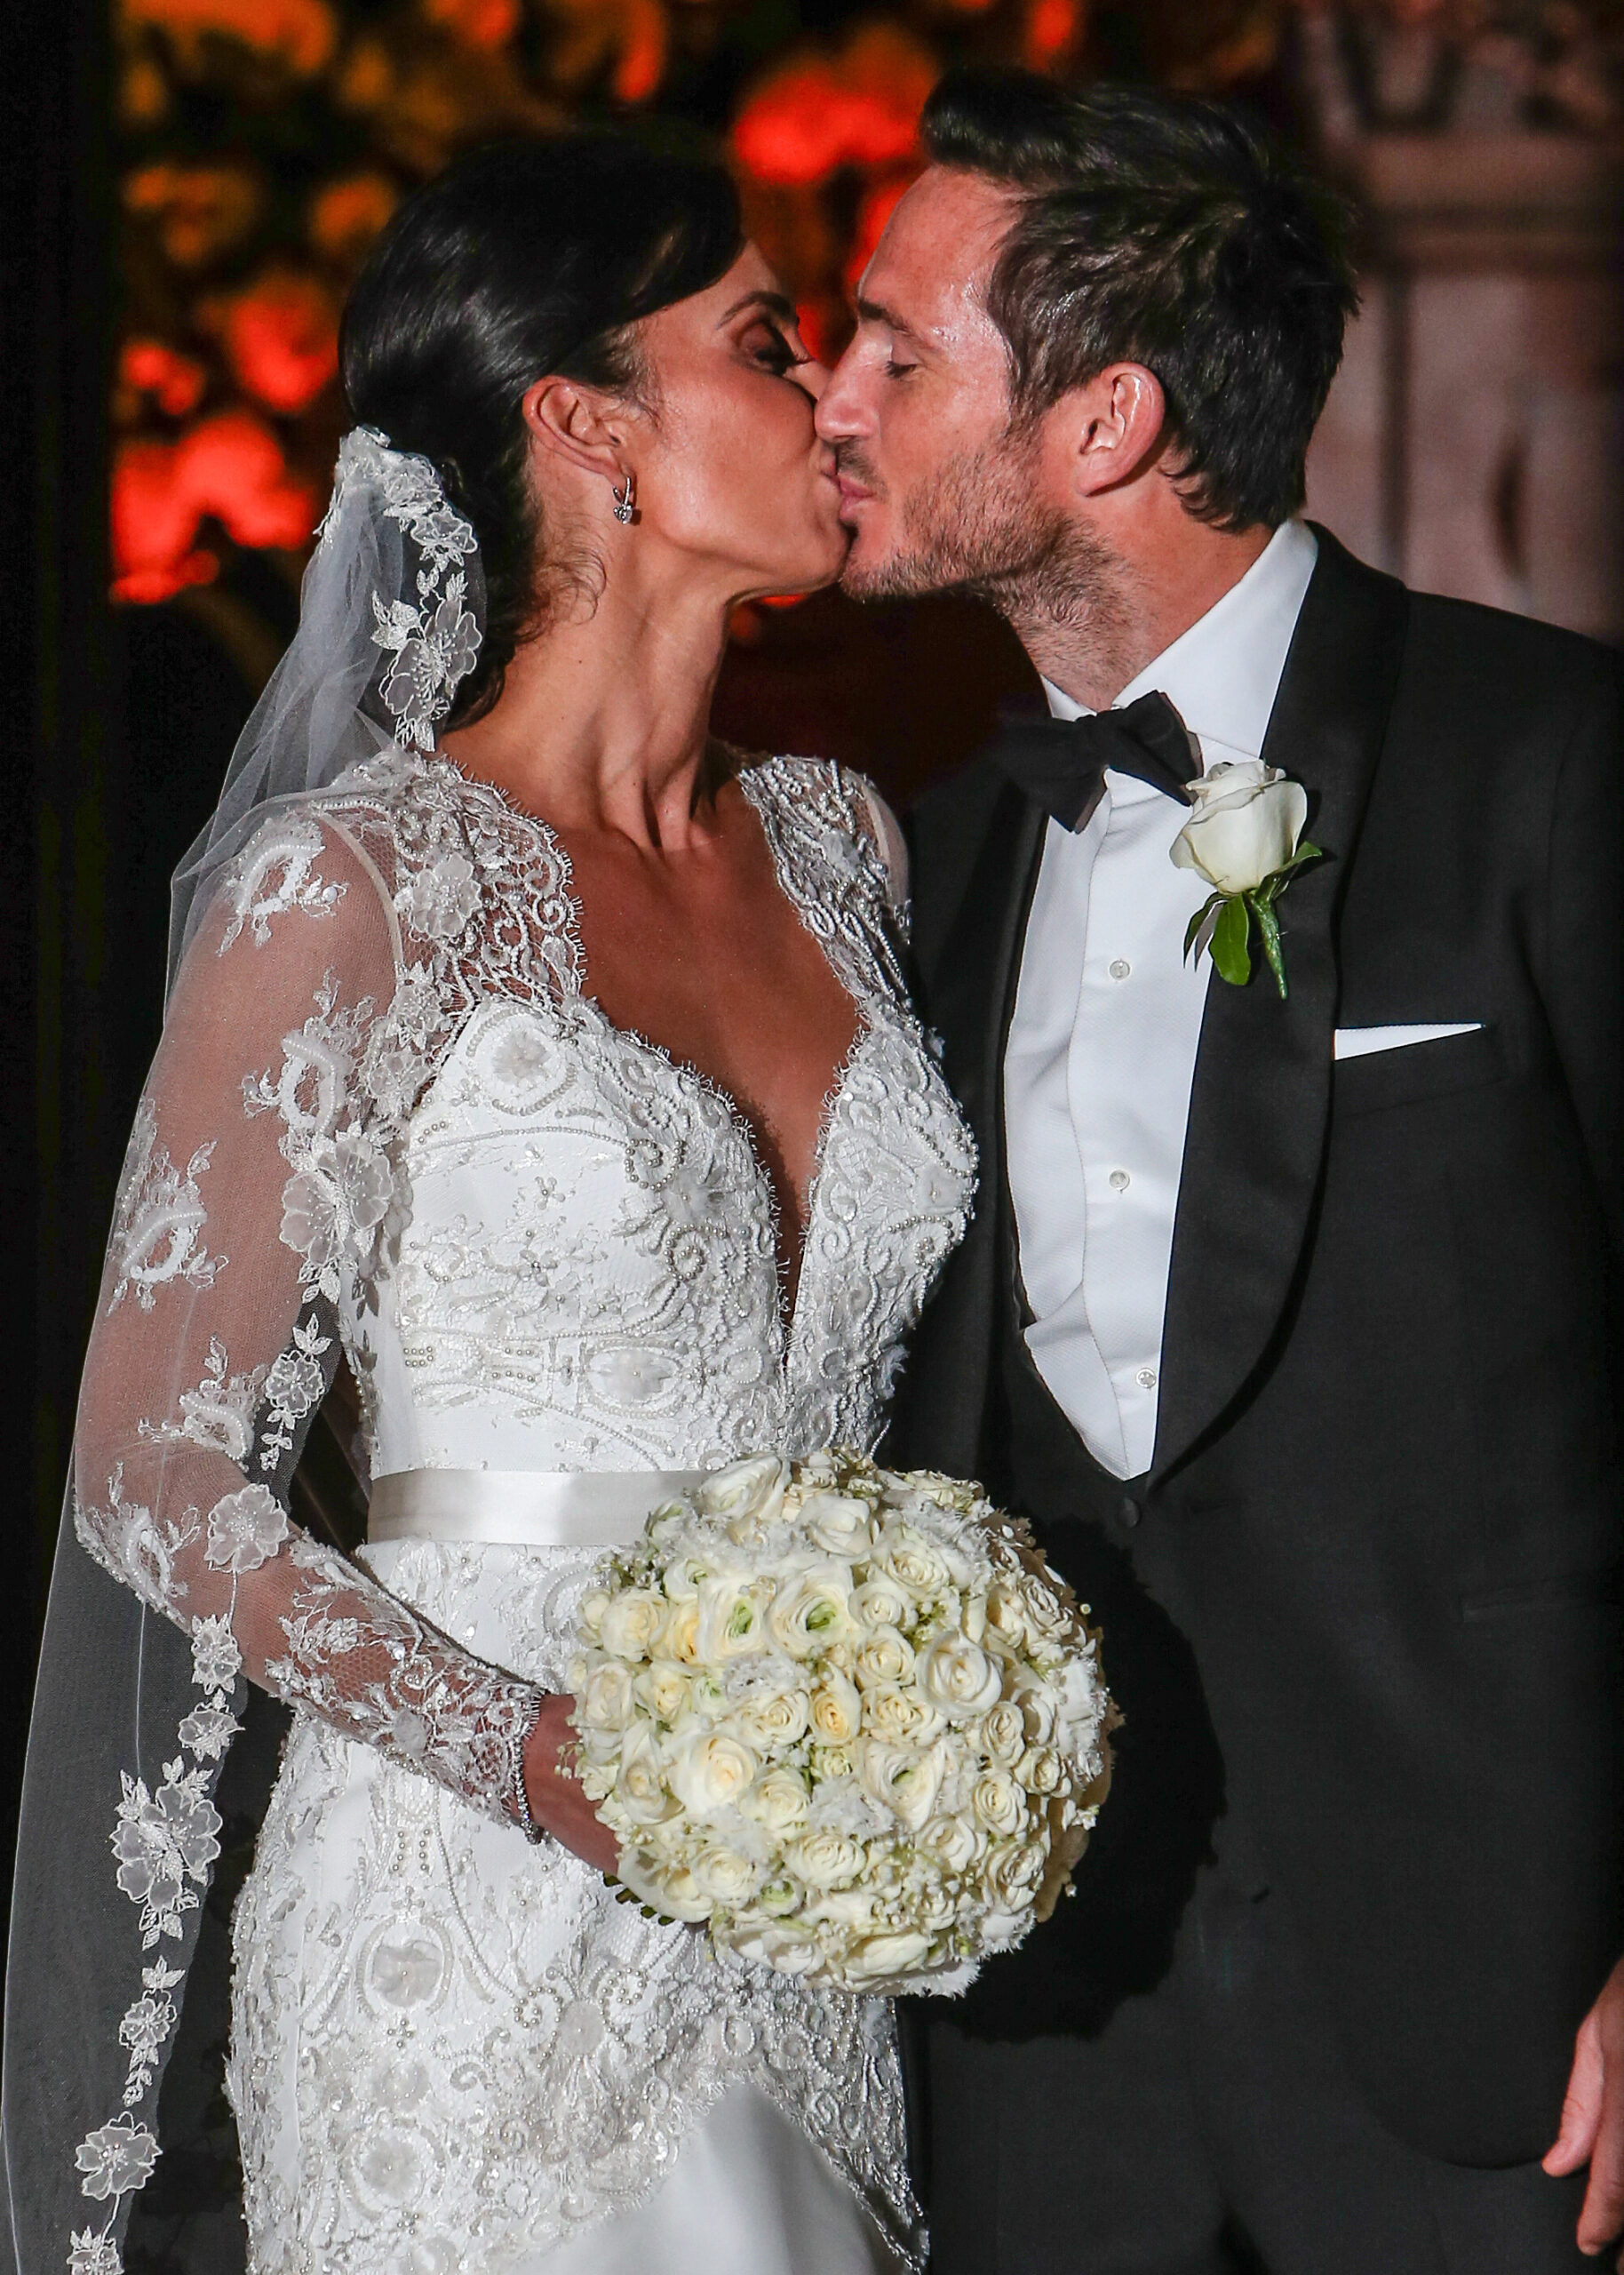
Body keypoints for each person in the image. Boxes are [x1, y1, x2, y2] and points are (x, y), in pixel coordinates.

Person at [4, 134, 976, 2275]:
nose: (827, 398)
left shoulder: (840, 852)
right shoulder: (353, 885)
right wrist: (530, 1755)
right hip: (471, 1889)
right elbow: (153, 1468)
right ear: (583, 426)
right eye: (764, 340)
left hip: (802, 1899)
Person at [816, 64, 1624, 2275]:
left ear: (1098, 426)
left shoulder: (1546, 757)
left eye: (899, 348)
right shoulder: (940, 855)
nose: (836, 396)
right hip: (1040, 2032)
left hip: (1488, 2000)